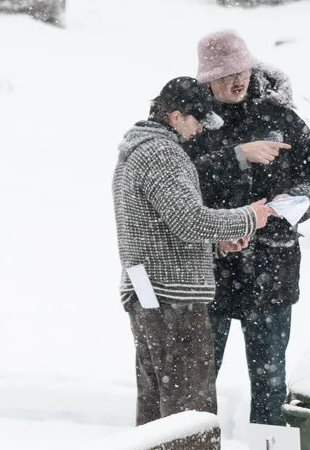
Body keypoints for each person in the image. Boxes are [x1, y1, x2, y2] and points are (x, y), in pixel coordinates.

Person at [187, 29, 310, 423]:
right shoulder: (193, 123)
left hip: (272, 267)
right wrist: (235, 156)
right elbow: (180, 180)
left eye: (242, 71)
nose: (237, 81)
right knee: (199, 379)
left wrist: (295, 203)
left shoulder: (280, 118)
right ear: (206, 79)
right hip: (211, 268)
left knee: (270, 384)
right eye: (224, 75)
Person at [114, 77, 271, 425]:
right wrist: (249, 217)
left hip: (149, 293)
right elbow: (189, 221)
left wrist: (216, 245)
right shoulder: (163, 153)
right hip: (174, 300)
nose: (199, 129)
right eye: (196, 119)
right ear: (174, 116)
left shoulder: (136, 151)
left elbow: (159, 229)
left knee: (156, 412)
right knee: (188, 415)